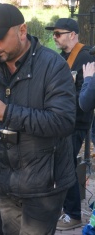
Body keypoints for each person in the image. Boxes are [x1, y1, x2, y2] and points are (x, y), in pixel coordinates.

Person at [0, 3, 76, 234]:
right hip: (6, 177)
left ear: (22, 31)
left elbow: (63, 121)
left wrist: (7, 112)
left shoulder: (53, 66)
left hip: (44, 182)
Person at [45, 18, 94, 230]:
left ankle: (73, 214)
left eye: (58, 34)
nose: (55, 37)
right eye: (54, 34)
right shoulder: (62, 57)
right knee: (61, 164)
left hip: (75, 122)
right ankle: (64, 209)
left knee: (66, 165)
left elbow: (86, 97)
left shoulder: (84, 57)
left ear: (72, 34)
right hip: (60, 121)